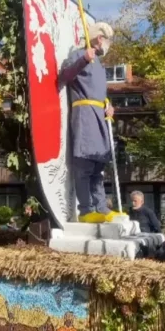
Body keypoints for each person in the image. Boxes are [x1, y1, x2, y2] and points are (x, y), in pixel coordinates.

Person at [58, 21, 124, 224]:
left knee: (98, 166)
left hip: (100, 117)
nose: (108, 45)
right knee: (84, 164)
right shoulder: (79, 55)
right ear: (100, 38)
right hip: (85, 114)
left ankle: (102, 208)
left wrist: (108, 105)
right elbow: (65, 76)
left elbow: (100, 93)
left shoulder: (101, 67)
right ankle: (86, 210)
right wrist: (83, 61)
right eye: (108, 40)